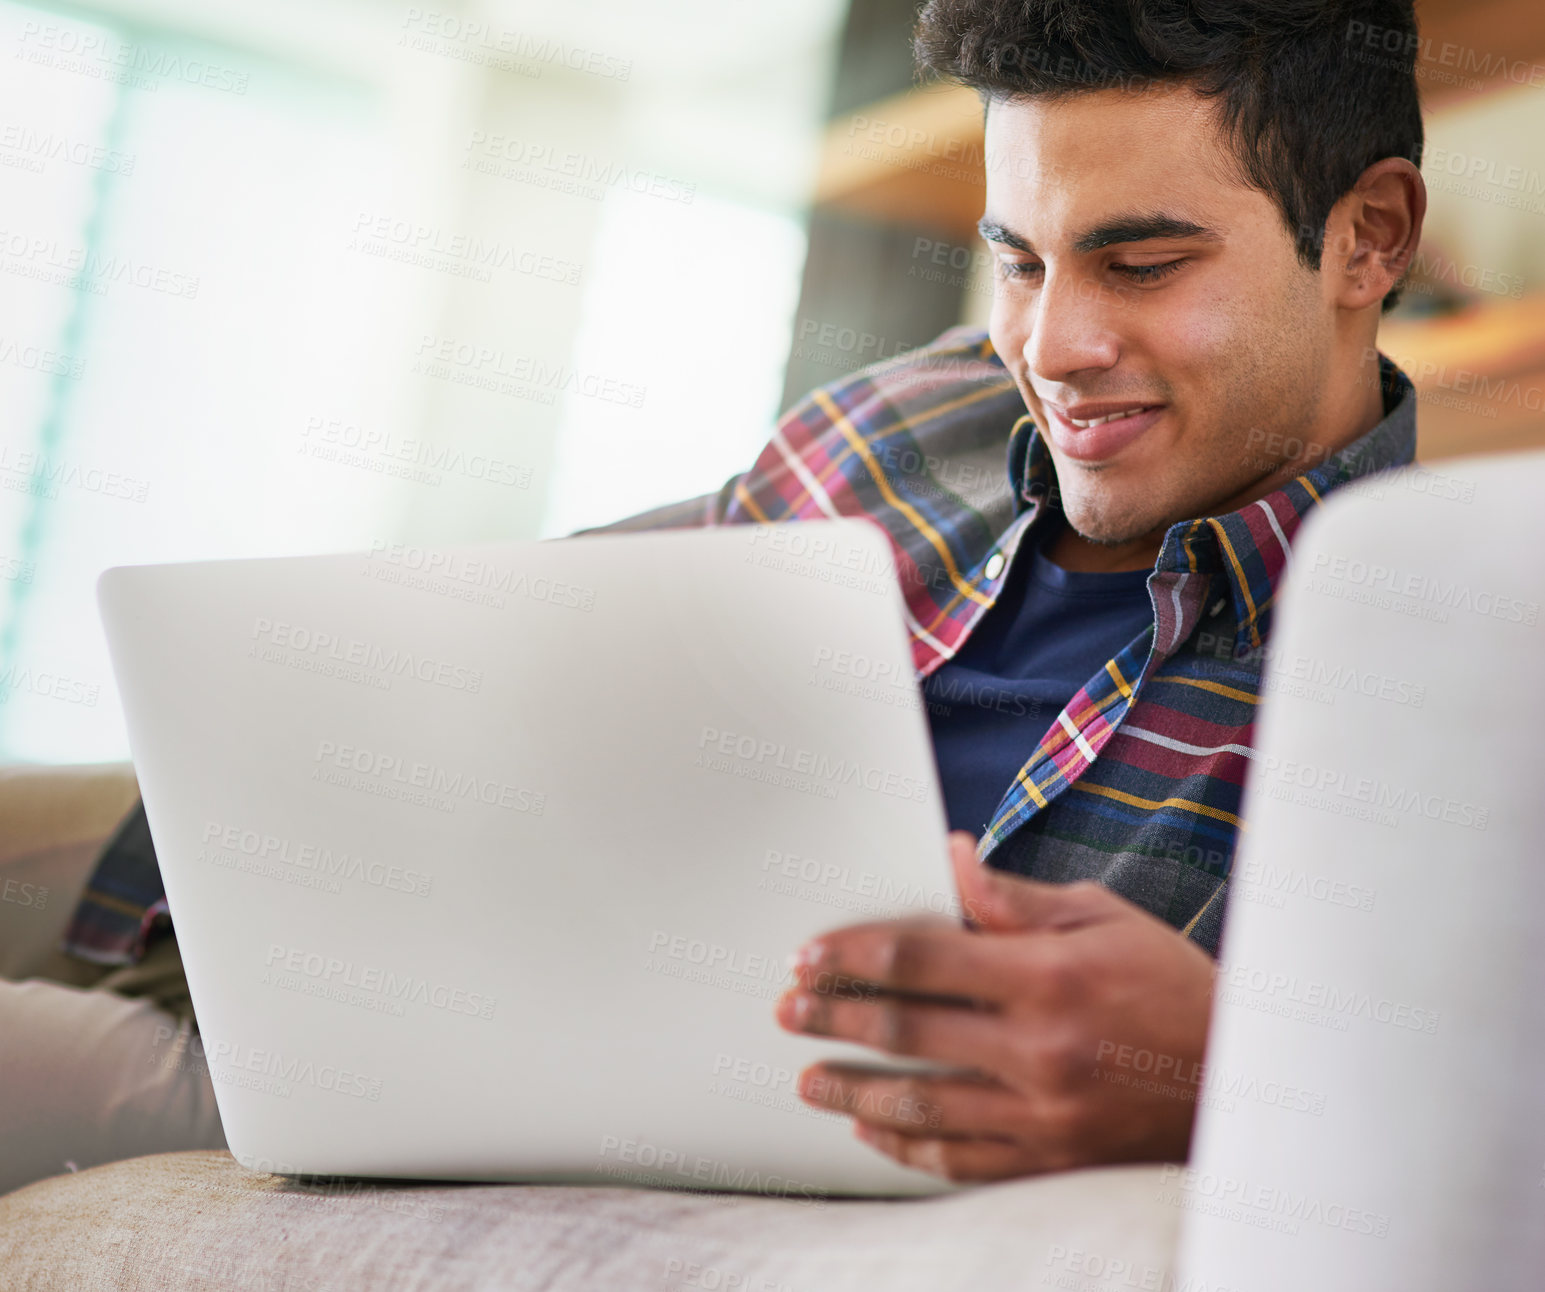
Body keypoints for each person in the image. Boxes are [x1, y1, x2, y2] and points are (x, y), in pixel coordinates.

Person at [0, 0, 1425, 1193]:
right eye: (1017, 260)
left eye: (1143, 261)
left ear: (1368, 237)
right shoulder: (909, 419)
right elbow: (527, 623)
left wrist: (1240, 1078)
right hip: (372, 977)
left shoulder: (1442, 654)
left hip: (674, 1133)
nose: (1050, 345)